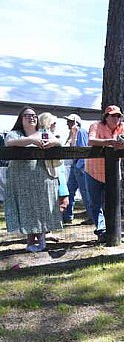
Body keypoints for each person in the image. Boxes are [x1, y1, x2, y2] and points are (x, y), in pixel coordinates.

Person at [4, 107, 63, 252]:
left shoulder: (44, 132)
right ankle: (30, 242)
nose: (31, 118)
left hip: (42, 177)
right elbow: (9, 142)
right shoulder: (15, 133)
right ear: (21, 118)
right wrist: (32, 140)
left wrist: (52, 143)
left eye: (34, 115)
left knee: (41, 207)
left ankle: (42, 241)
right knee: (26, 208)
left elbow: (58, 142)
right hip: (20, 179)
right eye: (27, 115)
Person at [85, 105, 124, 242]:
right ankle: (101, 231)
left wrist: (121, 144)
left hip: (112, 172)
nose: (116, 118)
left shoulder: (123, 127)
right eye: (113, 115)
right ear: (106, 117)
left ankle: (112, 231)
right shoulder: (95, 125)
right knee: (95, 203)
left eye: (119, 116)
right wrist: (110, 142)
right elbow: (91, 140)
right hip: (93, 171)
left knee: (112, 203)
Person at [61, 113, 93, 224]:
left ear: (76, 122)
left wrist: (80, 166)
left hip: (80, 165)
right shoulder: (73, 133)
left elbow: (84, 150)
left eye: (70, 121)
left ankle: (92, 216)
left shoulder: (81, 132)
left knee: (85, 192)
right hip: (75, 165)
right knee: (70, 190)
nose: (67, 123)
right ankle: (67, 215)